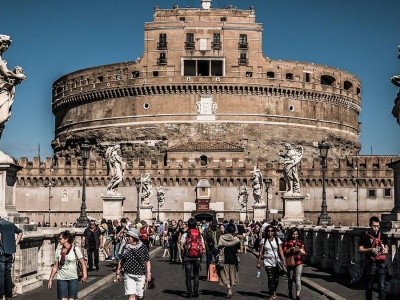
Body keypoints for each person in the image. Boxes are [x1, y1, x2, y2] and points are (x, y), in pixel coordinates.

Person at [48, 230, 87, 300]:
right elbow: (55, 266)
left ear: (66, 239)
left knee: (71, 299)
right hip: (61, 278)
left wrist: (85, 275)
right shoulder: (58, 251)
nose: (59, 240)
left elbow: (83, 263)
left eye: (60, 239)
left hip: (73, 278)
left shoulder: (75, 249)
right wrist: (50, 279)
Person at [115, 228, 151, 300]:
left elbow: (147, 261)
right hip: (128, 275)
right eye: (127, 236)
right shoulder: (125, 247)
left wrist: (149, 273)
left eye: (129, 236)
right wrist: (118, 273)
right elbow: (121, 261)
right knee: (131, 296)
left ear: (134, 238)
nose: (128, 238)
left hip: (140, 275)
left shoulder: (143, 247)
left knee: (140, 296)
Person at [359, 216, 389, 300]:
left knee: (382, 287)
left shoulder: (381, 235)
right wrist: (370, 249)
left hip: (381, 264)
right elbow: (360, 249)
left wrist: (385, 250)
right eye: (374, 226)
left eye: (378, 226)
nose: (376, 228)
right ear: (370, 225)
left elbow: (386, 246)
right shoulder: (365, 236)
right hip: (370, 263)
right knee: (369, 287)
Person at [0, 34, 26, 127]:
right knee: (3, 116)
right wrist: (19, 75)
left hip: (3, 89)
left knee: (4, 116)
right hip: (1, 89)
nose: (6, 47)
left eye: (8, 45)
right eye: (5, 44)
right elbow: (6, 73)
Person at [256, 225, 285, 300]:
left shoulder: (278, 240)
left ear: (274, 232)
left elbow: (280, 250)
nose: (270, 232)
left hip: (276, 261)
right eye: (268, 231)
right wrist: (259, 262)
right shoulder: (263, 240)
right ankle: (271, 294)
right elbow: (261, 252)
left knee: (276, 279)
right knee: (270, 278)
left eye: (272, 231)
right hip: (267, 261)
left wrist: (283, 260)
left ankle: (274, 290)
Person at [180, 217, 204, 298]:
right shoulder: (199, 235)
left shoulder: (185, 235)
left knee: (188, 275)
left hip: (187, 258)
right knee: (196, 274)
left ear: (188, 225)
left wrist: (186, 252)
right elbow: (203, 246)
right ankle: (196, 290)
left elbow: (181, 247)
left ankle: (189, 292)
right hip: (197, 258)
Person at [0, 217, 23, 299]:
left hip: (2, 253)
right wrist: (15, 244)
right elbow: (20, 232)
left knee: (1, 275)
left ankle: (1, 294)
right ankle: (9, 294)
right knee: (7, 274)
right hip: (10, 252)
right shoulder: (10, 224)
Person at [283, 227, 307, 300]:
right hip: (290, 262)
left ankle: (297, 295)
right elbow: (284, 253)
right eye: (293, 234)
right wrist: (290, 249)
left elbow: (305, 253)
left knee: (298, 278)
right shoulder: (287, 242)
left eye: (296, 234)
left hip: (299, 261)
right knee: (290, 278)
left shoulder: (300, 242)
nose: (295, 236)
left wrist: (300, 250)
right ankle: (290, 290)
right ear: (291, 234)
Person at [217, 223, 240, 299]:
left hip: (223, 259)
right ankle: (231, 287)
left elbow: (219, 247)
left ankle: (228, 286)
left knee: (223, 273)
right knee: (232, 274)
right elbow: (239, 250)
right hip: (233, 259)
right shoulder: (236, 240)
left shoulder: (222, 238)